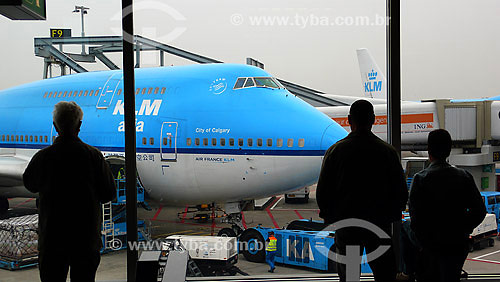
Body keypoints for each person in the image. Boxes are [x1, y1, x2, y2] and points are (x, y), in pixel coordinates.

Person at [23, 101, 116, 282]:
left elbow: (30, 184)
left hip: (53, 239)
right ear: (79, 125)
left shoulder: (44, 157)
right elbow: (108, 194)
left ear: (55, 126)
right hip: (84, 240)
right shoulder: (93, 156)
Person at [317, 99, 408, 282]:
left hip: (348, 227)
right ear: (373, 119)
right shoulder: (387, 152)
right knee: (384, 275)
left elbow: (323, 193)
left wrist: (332, 218)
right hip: (379, 226)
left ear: (349, 120)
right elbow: (400, 193)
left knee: (350, 276)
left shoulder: (336, 151)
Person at [409, 129, 486, 282]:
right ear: (449, 150)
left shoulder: (420, 179)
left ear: (429, 150)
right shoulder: (464, 176)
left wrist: (423, 240)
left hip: (430, 246)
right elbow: (479, 211)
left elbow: (415, 218)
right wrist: (463, 228)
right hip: (456, 243)